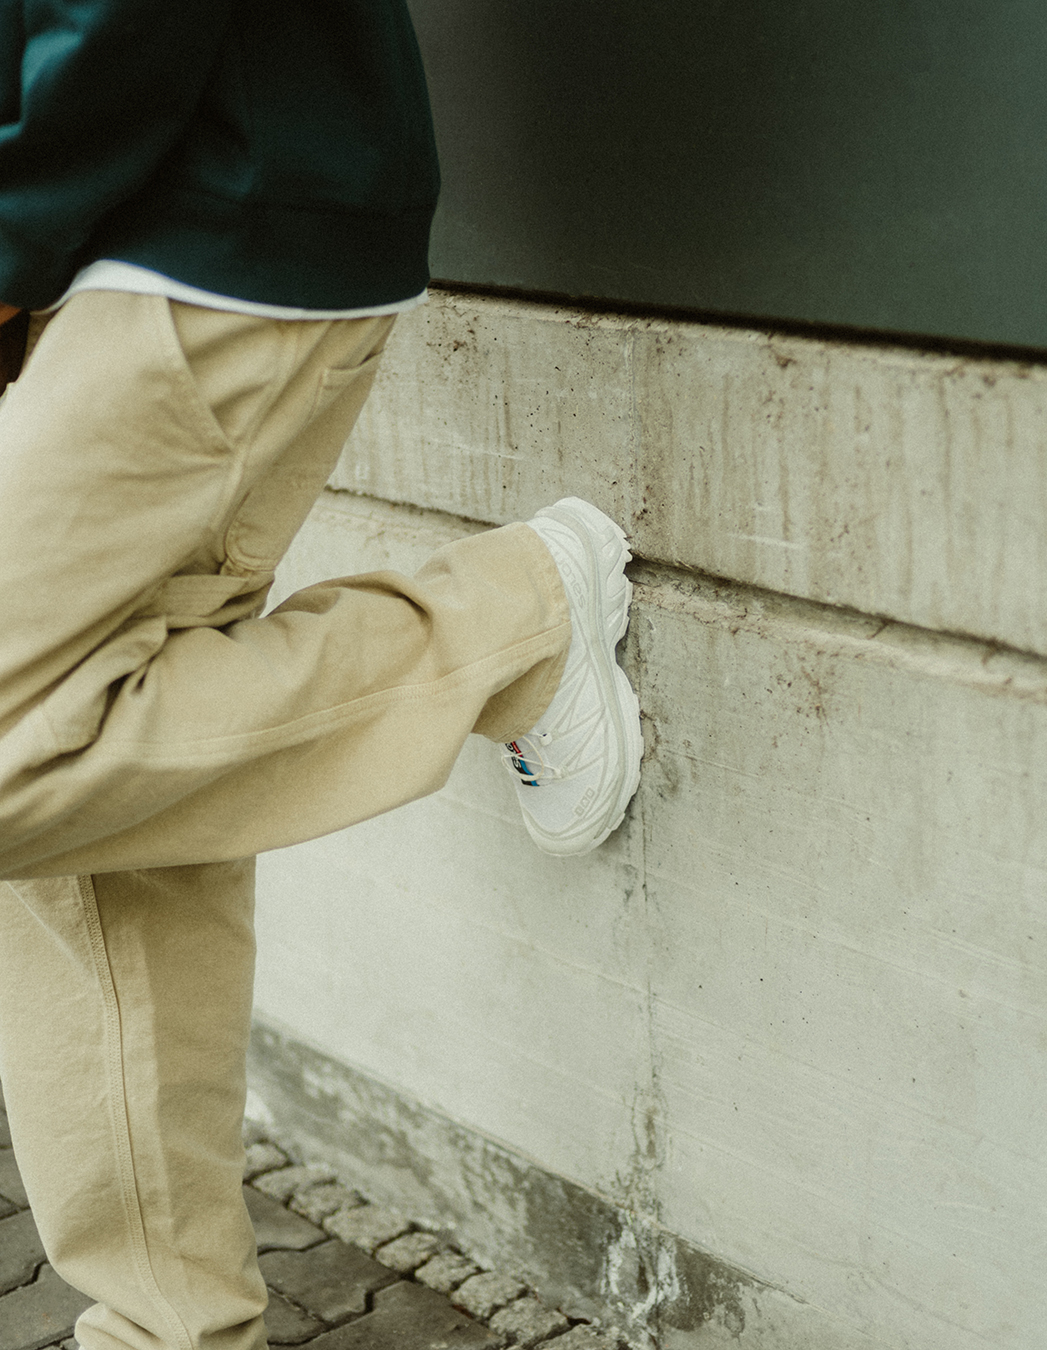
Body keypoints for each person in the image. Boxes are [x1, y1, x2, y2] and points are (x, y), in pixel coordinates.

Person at [0, 2, 643, 1348]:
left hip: (185, 223)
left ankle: (511, 620)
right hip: (116, 226)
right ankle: (169, 1327)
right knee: (101, 818)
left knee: (25, 747)